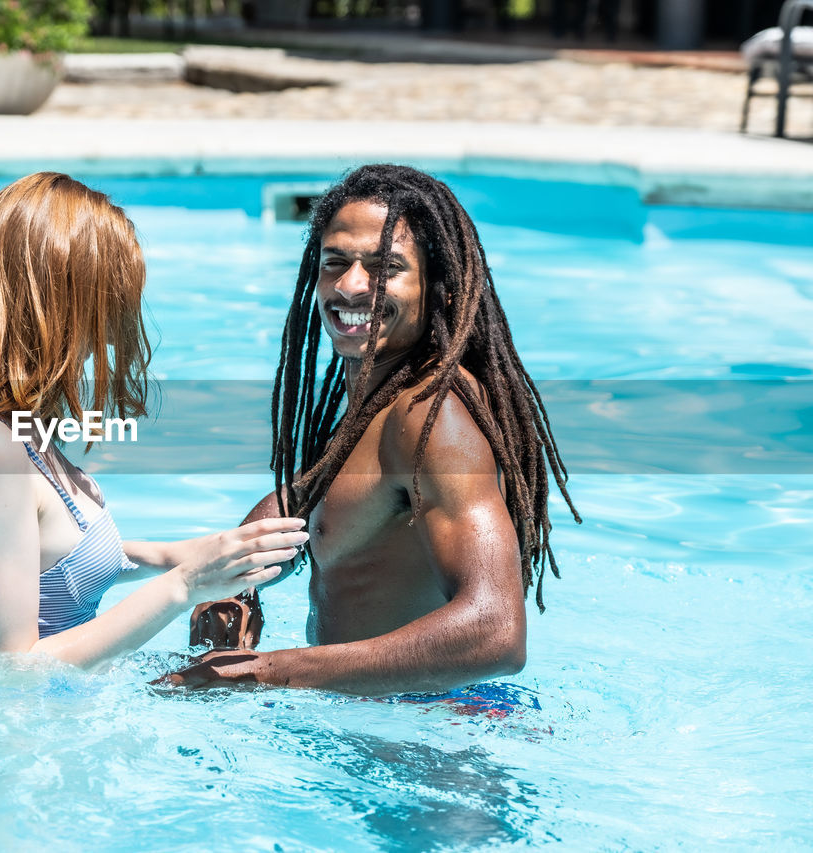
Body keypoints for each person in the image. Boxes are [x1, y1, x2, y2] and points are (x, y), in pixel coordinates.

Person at [173, 164, 580, 695]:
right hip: (390, 731)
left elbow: (495, 632)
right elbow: (323, 497)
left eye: (385, 267)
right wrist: (236, 586)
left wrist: (262, 672)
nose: (350, 285)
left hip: (440, 741)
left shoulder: (432, 416)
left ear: (441, 288)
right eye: (334, 263)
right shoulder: (377, 400)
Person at [0, 172, 308, 670]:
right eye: (107, 305)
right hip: (23, 744)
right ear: (58, 303)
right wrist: (184, 586)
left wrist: (179, 555)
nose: (111, 336)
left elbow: (35, 552)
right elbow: (10, 670)